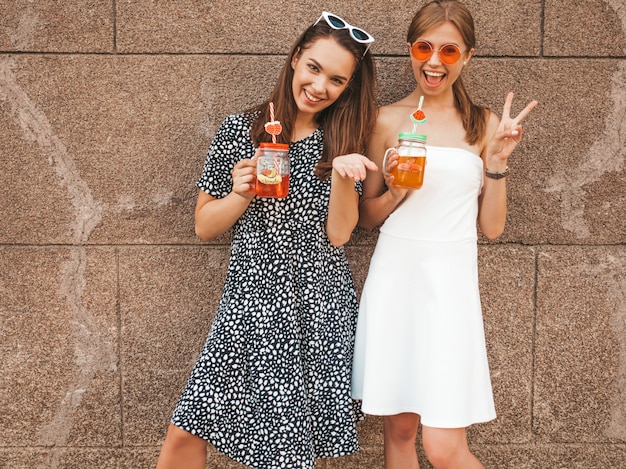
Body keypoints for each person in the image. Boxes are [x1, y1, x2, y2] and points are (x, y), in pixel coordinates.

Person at [155, 11, 378, 469]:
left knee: (290, 453)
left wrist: (340, 175)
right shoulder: (240, 130)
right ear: (296, 58)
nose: (320, 86)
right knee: (184, 435)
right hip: (249, 302)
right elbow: (204, 226)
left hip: (315, 307)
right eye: (314, 68)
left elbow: (338, 235)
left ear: (348, 88)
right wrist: (240, 194)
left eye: (336, 80)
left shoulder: (343, 141)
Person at [350, 1, 537, 468]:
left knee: (444, 446)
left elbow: (491, 228)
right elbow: (367, 219)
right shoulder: (385, 120)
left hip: (450, 287)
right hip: (396, 280)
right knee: (398, 430)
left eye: (449, 51)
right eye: (424, 47)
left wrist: (496, 163)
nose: (434, 61)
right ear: (410, 50)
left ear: (467, 56)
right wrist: (393, 192)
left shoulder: (485, 125)